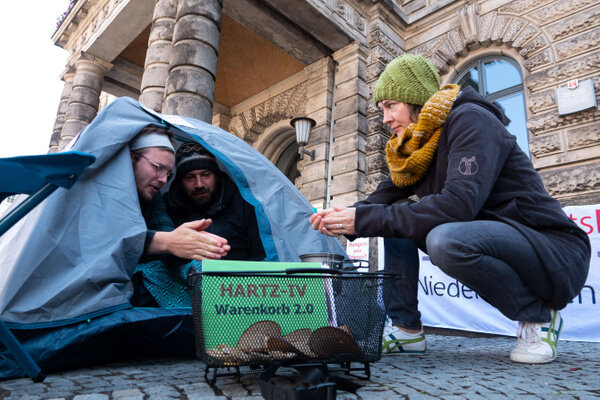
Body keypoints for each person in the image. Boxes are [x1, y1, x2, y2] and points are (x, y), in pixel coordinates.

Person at [310, 54, 591, 364]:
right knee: (393, 219)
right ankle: (406, 330)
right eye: (382, 110)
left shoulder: (471, 120)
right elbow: (383, 199)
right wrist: (340, 217)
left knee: (445, 240)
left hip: (550, 248)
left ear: (414, 99)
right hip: (497, 239)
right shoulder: (419, 146)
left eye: (391, 105)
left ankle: (539, 317)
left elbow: (458, 205)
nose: (385, 119)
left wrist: (364, 217)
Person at [128, 125, 231, 306]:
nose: (163, 179)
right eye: (157, 167)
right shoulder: (96, 187)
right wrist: (168, 242)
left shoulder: (153, 196)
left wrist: (187, 246)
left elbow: (165, 229)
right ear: (131, 158)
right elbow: (106, 240)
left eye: (167, 172)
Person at [164, 142, 266, 261]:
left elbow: (262, 254)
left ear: (216, 176)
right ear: (180, 182)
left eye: (205, 175)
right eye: (190, 177)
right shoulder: (167, 206)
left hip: (240, 277)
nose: (199, 184)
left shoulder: (244, 202)